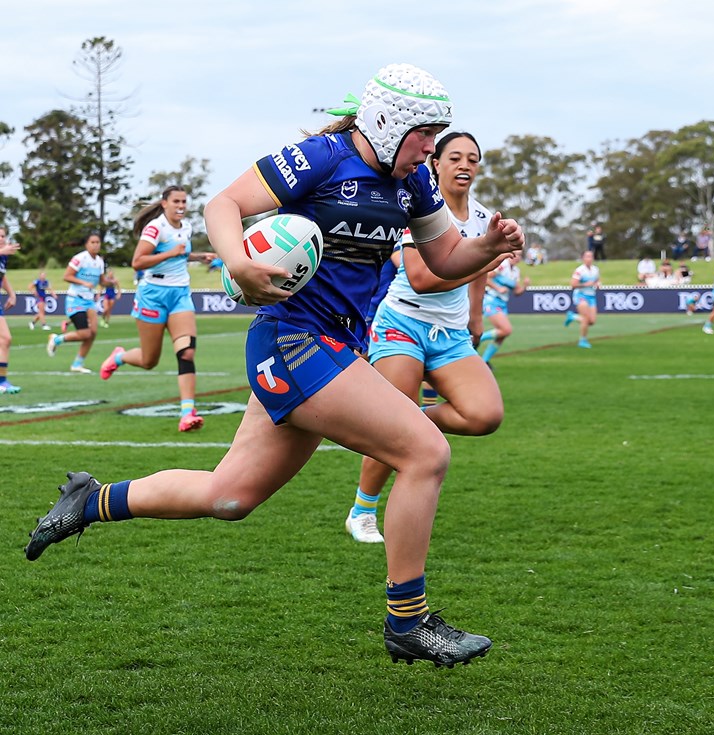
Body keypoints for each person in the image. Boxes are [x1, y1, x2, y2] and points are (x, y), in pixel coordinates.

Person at [25, 63, 524, 669]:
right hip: (293, 340)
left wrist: (489, 247)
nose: (432, 148)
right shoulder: (322, 156)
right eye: (426, 133)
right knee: (425, 452)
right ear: (391, 121)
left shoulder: (411, 181)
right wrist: (237, 261)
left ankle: (92, 499)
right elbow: (224, 204)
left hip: (336, 347)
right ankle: (408, 622)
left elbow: (445, 257)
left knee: (230, 497)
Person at [345, 131, 504, 545]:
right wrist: (490, 255)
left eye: (472, 158)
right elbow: (420, 280)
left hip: (450, 334)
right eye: (454, 157)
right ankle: (362, 510)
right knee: (399, 416)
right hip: (403, 322)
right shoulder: (419, 209)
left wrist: (475, 317)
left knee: (485, 416)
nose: (464, 165)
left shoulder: (484, 219)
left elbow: (480, 274)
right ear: (436, 163)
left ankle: (409, 419)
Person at [98, 186, 214, 432]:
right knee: (149, 360)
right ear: (164, 203)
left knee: (186, 353)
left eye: (184, 201)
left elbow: (181, 255)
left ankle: (187, 413)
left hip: (180, 293)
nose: (181, 205)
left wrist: (199, 256)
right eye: (176, 201)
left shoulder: (186, 227)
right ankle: (119, 356)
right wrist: (171, 252)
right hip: (153, 295)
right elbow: (137, 262)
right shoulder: (155, 228)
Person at [46, 231, 105, 374]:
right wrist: (84, 282)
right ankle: (57, 339)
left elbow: (102, 281)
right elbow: (67, 276)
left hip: (89, 300)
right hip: (75, 299)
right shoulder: (80, 258)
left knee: (93, 333)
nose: (96, 245)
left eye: (98, 242)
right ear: (86, 244)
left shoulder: (100, 261)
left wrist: (111, 283)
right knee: (85, 334)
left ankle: (77, 364)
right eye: (93, 242)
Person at [479, 250, 530, 362]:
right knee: (506, 330)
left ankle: (485, 361)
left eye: (520, 255)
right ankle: (476, 338)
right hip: (492, 300)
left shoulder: (516, 271)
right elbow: (485, 277)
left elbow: (517, 292)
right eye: (515, 254)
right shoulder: (502, 265)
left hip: (502, 304)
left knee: (501, 337)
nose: (517, 257)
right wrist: (498, 288)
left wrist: (525, 286)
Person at [0, 226, 21, 394]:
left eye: (3, 236)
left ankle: (2, 381)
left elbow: (2, 276)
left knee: (5, 339)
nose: (1, 239)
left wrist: (12, 294)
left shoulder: (3, 256)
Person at [564, 250, 600, 348]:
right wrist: (585, 284)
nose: (589, 258)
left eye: (591, 256)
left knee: (591, 321)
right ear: (583, 258)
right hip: (581, 295)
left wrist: (597, 284)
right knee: (585, 318)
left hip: (591, 296)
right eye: (587, 256)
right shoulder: (579, 270)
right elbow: (573, 285)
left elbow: (597, 280)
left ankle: (572, 317)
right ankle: (582, 340)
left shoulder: (595, 269)